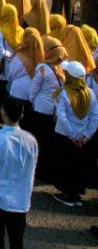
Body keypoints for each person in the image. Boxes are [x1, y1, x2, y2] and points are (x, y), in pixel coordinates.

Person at [0, 97, 37, 249]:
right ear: (21, 115)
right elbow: (31, 169)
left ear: (3, 113)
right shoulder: (31, 140)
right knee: (17, 240)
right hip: (20, 199)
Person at [52, 59, 98, 207]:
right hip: (82, 138)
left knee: (65, 164)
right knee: (78, 166)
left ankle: (67, 194)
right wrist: (85, 137)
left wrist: (72, 135)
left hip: (65, 136)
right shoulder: (90, 93)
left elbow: (62, 116)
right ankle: (76, 194)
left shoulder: (63, 93)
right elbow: (94, 117)